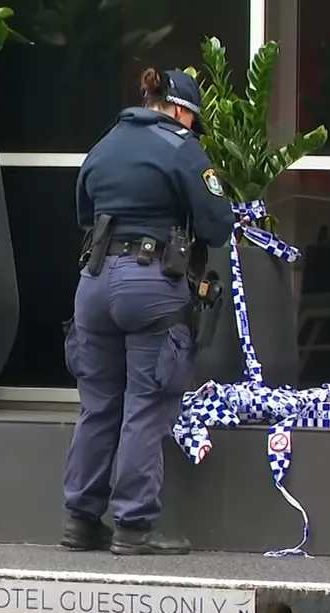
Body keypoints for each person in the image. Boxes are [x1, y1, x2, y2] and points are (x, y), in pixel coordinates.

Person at [59, 67, 237, 556]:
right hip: (151, 284)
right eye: (192, 119)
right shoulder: (181, 146)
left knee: (98, 404)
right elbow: (218, 224)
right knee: (147, 403)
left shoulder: (104, 144)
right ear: (180, 111)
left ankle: (81, 520)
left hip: (94, 281)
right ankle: (134, 525)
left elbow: (84, 214)